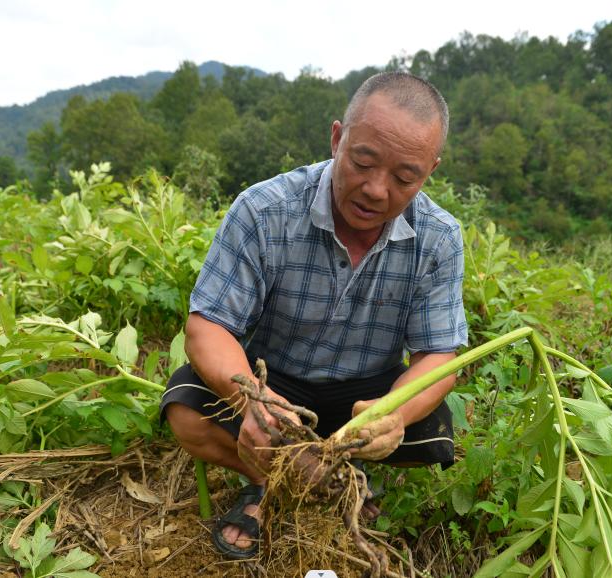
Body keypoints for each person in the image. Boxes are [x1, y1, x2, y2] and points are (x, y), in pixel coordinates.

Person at [161, 71, 468, 559]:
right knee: (186, 410)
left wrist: (393, 416)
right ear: (337, 138)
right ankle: (274, 479)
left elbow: (438, 355)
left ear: (430, 171)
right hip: (273, 380)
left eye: (403, 178)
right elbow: (207, 328)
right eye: (362, 162)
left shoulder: (439, 238)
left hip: (364, 395)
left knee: (431, 433)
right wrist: (254, 400)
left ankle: (337, 469)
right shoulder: (263, 210)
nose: (374, 189)